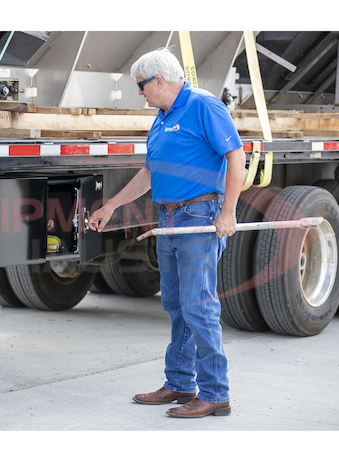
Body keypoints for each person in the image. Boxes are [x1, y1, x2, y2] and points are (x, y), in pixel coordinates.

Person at [88, 48, 246, 418]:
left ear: (158, 81)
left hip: (199, 216)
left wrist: (228, 211)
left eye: (141, 86)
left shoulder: (203, 105)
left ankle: (215, 393)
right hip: (169, 218)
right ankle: (179, 382)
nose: (139, 93)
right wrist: (112, 205)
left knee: (198, 305)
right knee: (176, 305)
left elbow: (236, 155)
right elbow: (149, 172)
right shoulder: (161, 117)